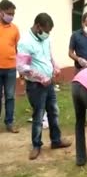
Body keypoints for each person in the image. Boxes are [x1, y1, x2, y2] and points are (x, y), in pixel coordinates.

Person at [17, 13, 72, 160]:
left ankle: (56, 140)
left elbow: (49, 55)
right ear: (38, 26)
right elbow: (22, 68)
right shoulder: (25, 42)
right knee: (39, 115)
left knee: (53, 111)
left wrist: (55, 66)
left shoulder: (45, 39)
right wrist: (40, 77)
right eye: (46, 31)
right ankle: (36, 145)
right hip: (35, 86)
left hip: (49, 83)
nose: (48, 34)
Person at [0, 0, 20, 133]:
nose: (11, 16)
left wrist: (21, 67)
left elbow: (18, 49)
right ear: (1, 13)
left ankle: (9, 122)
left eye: (13, 13)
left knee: (10, 96)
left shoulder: (15, 29)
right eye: (8, 13)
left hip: (11, 68)